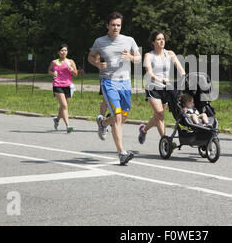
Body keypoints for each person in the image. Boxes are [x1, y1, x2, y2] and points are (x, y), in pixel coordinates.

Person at [88, 11, 141, 166]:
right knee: (117, 116)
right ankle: (122, 153)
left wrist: (131, 58)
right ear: (107, 25)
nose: (115, 28)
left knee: (123, 116)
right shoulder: (100, 41)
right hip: (109, 82)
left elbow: (138, 58)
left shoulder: (129, 40)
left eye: (118, 25)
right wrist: (97, 64)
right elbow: (90, 56)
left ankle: (103, 123)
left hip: (125, 83)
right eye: (113, 25)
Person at [138, 30, 186, 144]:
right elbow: (149, 72)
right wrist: (159, 79)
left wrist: (185, 77)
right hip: (152, 87)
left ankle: (144, 130)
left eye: (163, 39)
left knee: (159, 115)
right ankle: (165, 141)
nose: (161, 41)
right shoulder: (149, 55)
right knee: (160, 114)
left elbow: (179, 67)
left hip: (166, 87)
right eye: (158, 39)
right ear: (153, 42)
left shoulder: (170, 53)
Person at [48, 44, 82, 133]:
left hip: (68, 86)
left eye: (65, 50)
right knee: (64, 106)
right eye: (62, 50)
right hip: (57, 85)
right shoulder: (54, 62)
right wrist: (52, 73)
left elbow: (76, 74)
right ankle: (68, 126)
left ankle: (57, 120)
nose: (64, 52)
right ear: (58, 52)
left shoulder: (70, 61)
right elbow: (49, 70)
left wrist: (72, 69)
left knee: (63, 107)